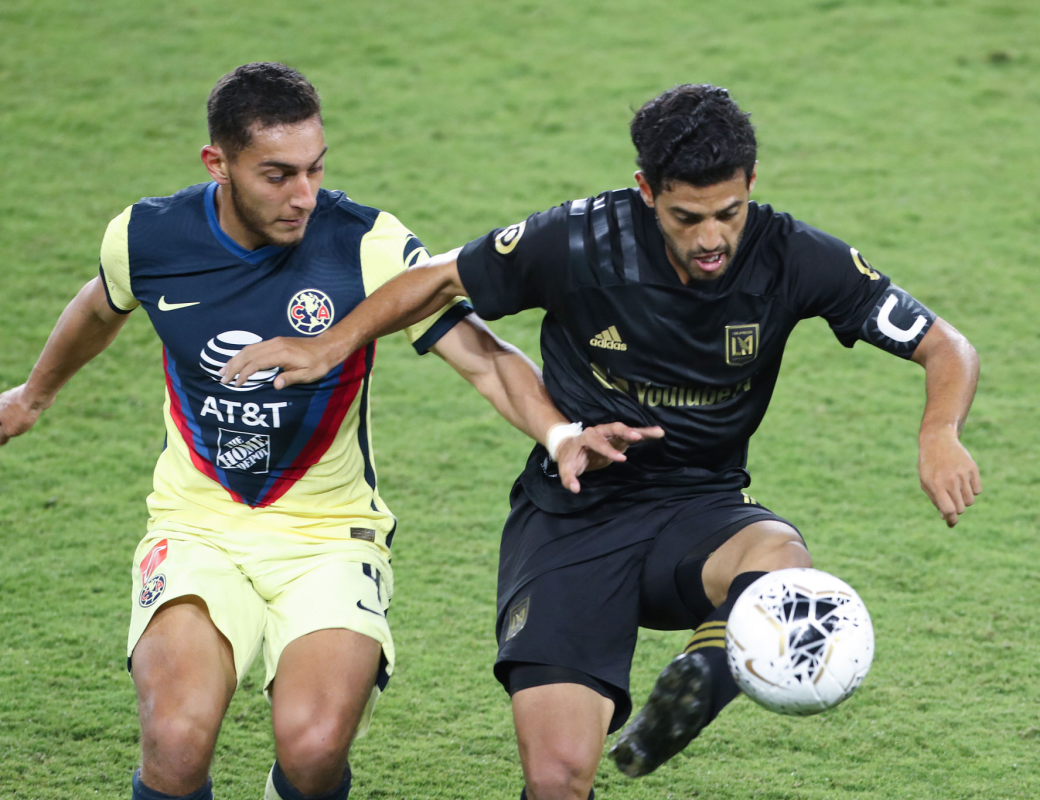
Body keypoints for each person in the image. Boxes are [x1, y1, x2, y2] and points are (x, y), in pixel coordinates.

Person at [220, 83, 982, 800]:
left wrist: (938, 430)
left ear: (752, 180)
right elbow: (437, 279)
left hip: (699, 508)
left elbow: (946, 344)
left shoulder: (793, 254)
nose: (713, 238)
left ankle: (703, 675)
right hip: (572, 514)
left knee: (780, 558)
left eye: (730, 211)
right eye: (688, 218)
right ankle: (708, 662)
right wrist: (330, 346)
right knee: (558, 780)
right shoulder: (578, 238)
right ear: (646, 190)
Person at [0, 62, 637, 800]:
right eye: (276, 175)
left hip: (330, 536)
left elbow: (485, 359)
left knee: (312, 750)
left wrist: (560, 435)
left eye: (314, 169)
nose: (302, 196)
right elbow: (102, 301)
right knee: (174, 745)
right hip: (198, 525)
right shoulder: (148, 236)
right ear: (219, 163)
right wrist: (32, 395)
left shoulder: (365, 244)